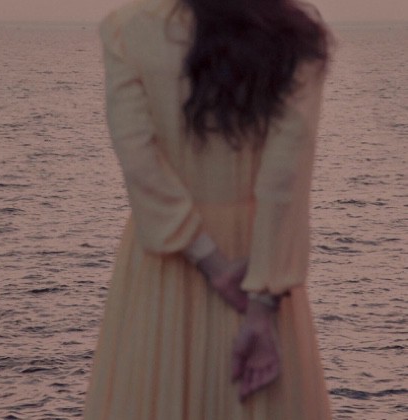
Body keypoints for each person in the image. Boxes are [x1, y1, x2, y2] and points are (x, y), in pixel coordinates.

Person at [83, 0, 334, 418]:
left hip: (166, 268)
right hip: (257, 260)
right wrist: (261, 304)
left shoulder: (127, 30)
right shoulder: (295, 36)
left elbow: (141, 164)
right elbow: (284, 180)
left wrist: (212, 263)